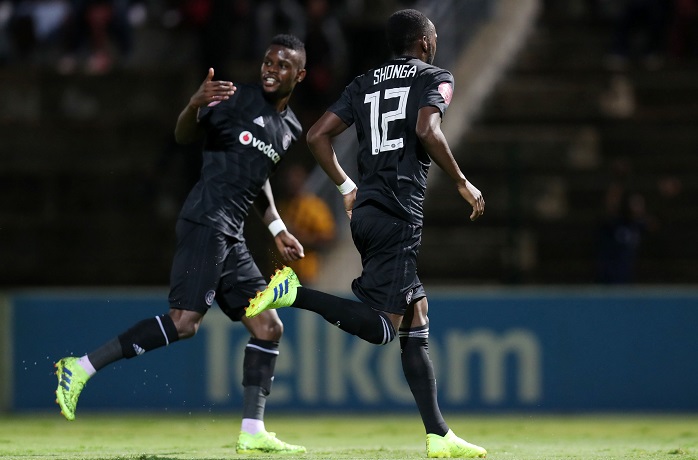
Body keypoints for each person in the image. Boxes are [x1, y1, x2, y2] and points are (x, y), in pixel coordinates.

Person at [246, 9, 487, 459]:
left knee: (417, 314)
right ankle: (293, 293)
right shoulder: (435, 76)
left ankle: (438, 435)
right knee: (381, 328)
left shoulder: (366, 81)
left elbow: (318, 134)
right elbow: (426, 128)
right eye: (431, 36)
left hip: (367, 210)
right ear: (425, 43)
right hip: (398, 215)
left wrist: (344, 185)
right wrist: (459, 180)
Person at [54, 34, 309, 455]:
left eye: (282, 65)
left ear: (298, 76)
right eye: (267, 62)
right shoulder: (232, 97)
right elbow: (183, 135)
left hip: (232, 233)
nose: (271, 69)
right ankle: (79, 368)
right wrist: (193, 105)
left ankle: (252, 430)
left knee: (268, 325)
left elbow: (257, 175)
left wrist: (278, 227)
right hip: (207, 219)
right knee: (185, 322)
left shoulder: (291, 128)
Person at [275, 162, 336, 285]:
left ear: (303, 179)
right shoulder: (281, 207)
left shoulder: (314, 206)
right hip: (281, 275)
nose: (291, 183)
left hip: (306, 274)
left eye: (295, 178)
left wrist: (300, 238)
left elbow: (329, 237)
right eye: (288, 179)